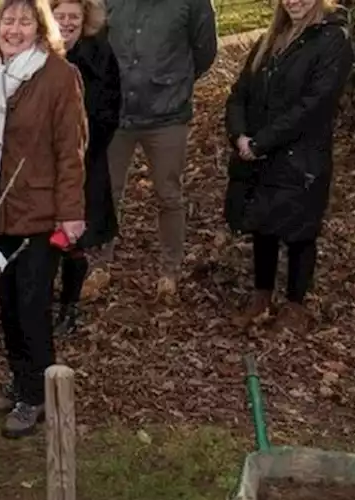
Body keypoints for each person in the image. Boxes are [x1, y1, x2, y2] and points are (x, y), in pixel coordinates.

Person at [0, 0, 87, 438]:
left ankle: (37, 395)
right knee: (6, 306)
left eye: (24, 21)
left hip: (39, 215)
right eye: (7, 20)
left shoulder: (58, 77)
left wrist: (71, 213)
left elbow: (71, 150)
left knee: (32, 307)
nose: (14, 29)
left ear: (39, 27)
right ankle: (21, 377)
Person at [225, 0, 353, 332]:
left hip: (301, 156)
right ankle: (261, 297)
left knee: (300, 230)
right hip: (259, 151)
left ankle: (295, 304)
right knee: (263, 225)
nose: (293, 1)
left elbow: (315, 104)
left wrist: (263, 141)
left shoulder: (332, 39)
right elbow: (240, 93)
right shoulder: (272, 39)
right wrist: (240, 134)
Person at [99, 0, 217, 299]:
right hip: (117, 113)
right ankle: (99, 265)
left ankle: (169, 271)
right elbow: (96, 40)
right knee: (106, 192)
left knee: (168, 194)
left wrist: (175, 84)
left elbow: (204, 52)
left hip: (167, 115)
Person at [50, 0, 122, 334]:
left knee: (73, 239)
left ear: (85, 20)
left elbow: (110, 110)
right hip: (41, 166)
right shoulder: (39, 56)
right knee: (45, 238)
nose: (66, 23)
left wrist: (81, 150)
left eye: (73, 17)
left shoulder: (100, 56)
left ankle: (69, 304)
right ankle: (44, 298)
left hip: (84, 162)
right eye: (59, 16)